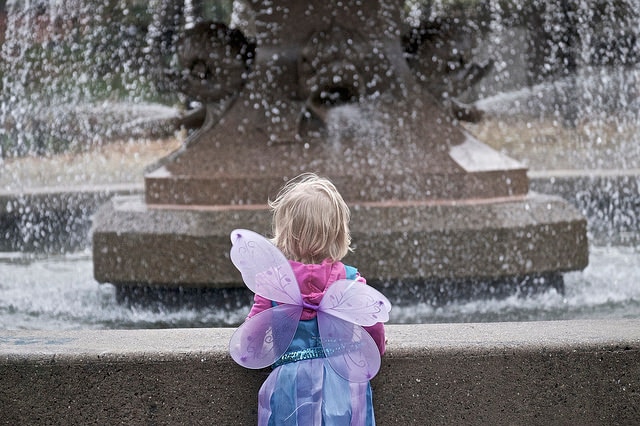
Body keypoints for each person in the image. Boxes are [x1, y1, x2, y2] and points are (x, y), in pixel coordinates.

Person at [245, 173, 386, 425]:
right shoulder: (351, 280)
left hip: (290, 383)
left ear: (286, 232)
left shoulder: (272, 283)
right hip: (344, 382)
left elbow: (253, 334)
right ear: (338, 232)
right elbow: (373, 325)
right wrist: (378, 348)